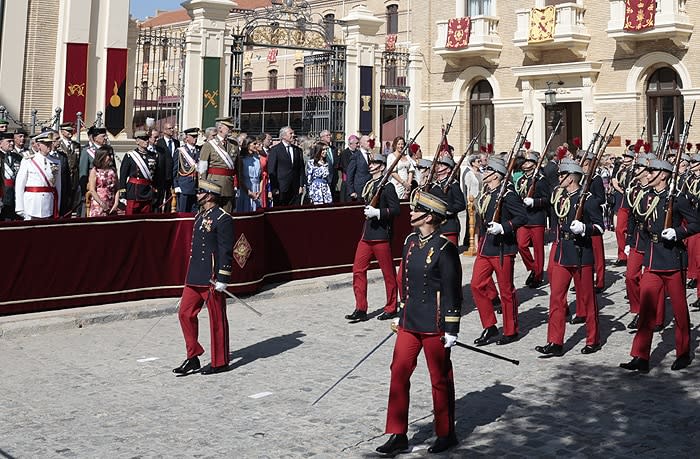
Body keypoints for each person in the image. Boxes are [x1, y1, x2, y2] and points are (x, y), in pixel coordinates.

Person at [376, 191, 461, 456]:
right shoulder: (410, 241)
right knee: (398, 372)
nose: (410, 213)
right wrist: (401, 313)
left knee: (439, 379)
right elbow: (405, 283)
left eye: (416, 210)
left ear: (429, 216)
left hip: (434, 324)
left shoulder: (446, 249)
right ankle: (397, 433)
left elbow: (452, 290)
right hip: (410, 322)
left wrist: (451, 328)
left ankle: (446, 432)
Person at [620, 159, 700, 373]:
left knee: (680, 310)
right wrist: (631, 244)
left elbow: (696, 223)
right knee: (646, 310)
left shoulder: (677, 198)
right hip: (653, 260)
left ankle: (683, 352)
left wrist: (678, 233)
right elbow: (640, 224)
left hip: (673, 260)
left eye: (653, 170)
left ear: (664, 175)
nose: (649, 173)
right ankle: (640, 355)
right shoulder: (646, 197)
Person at [535, 159, 604, 356]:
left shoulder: (588, 199)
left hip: (581, 253)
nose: (558, 178)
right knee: (556, 298)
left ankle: (593, 339)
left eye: (561, 175)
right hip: (563, 251)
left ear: (571, 178)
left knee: (587, 299)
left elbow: (600, 227)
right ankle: (555, 342)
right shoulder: (561, 197)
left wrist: (585, 228)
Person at [173, 179, 235, 376]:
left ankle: (220, 361)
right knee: (185, 313)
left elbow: (226, 250)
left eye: (200, 192)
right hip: (195, 274)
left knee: (216, 319)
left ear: (209, 196)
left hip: (212, 276)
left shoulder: (223, 218)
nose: (197, 195)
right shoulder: (200, 216)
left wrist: (223, 277)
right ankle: (193, 356)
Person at [471, 157, 527, 346]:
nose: (483, 172)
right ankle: (490, 325)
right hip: (487, 246)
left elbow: (522, 217)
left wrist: (504, 227)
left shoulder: (508, 194)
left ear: (496, 174)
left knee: (506, 290)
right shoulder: (487, 192)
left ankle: (511, 330)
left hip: (503, 247)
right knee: (476, 285)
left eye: (487, 170)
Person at [344, 154, 401, 322]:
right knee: (358, 270)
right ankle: (360, 307)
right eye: (371, 162)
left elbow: (396, 210)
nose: (371, 165)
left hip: (381, 235)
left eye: (375, 163)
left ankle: (391, 307)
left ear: (382, 167)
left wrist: (378, 213)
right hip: (367, 234)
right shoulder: (370, 184)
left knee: (388, 273)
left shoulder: (388, 187)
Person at [515, 151, 550, 288]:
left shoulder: (541, 180)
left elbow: (547, 199)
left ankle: (538, 276)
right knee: (521, 245)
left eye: (528, 162)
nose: (525, 164)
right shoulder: (522, 179)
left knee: (538, 249)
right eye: (524, 162)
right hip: (524, 218)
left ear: (535, 164)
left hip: (536, 218)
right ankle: (533, 268)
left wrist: (534, 202)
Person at [14, 131, 62, 220]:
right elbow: (20, 184)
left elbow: (58, 186)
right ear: (39, 145)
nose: (49, 146)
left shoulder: (56, 161)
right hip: (32, 203)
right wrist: (20, 207)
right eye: (45, 143)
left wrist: (57, 205)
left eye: (50, 143)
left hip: (49, 203)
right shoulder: (28, 160)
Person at [199, 118, 239, 212]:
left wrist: (238, 185)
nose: (230, 129)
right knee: (211, 213)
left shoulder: (234, 145)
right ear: (220, 128)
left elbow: (238, 167)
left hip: (228, 185)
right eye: (228, 127)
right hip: (212, 184)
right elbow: (202, 168)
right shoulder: (209, 145)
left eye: (231, 127)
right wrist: (203, 188)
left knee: (226, 213)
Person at [118, 131, 158, 215]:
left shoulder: (153, 155)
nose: (146, 141)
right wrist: (123, 193)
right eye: (143, 139)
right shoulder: (130, 156)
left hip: (148, 191)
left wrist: (155, 190)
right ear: (137, 141)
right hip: (134, 191)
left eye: (147, 139)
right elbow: (123, 176)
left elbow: (155, 175)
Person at [268, 126, 304, 206]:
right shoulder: (275, 150)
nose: (293, 135)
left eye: (293, 133)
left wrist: (301, 185)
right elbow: (271, 170)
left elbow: (301, 169)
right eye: (290, 133)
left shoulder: (297, 150)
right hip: (281, 188)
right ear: (283, 136)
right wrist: (274, 187)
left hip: (295, 187)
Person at [173, 128, 201, 213]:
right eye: (193, 136)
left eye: (196, 136)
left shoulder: (199, 150)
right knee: (183, 211)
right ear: (187, 138)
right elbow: (175, 170)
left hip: (196, 186)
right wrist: (176, 185)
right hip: (184, 185)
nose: (195, 138)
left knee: (194, 212)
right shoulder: (181, 151)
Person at [87, 145, 119, 217]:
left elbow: (117, 188)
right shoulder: (95, 171)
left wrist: (116, 203)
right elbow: (92, 190)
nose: (111, 157)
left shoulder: (113, 170)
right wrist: (101, 203)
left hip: (111, 205)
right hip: (98, 205)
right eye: (109, 155)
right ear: (102, 156)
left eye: (111, 155)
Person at [57, 122, 82, 215]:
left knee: (74, 203)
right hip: (63, 178)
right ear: (62, 132)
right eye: (68, 131)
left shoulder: (76, 145)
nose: (70, 132)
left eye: (71, 130)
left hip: (74, 178)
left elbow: (78, 161)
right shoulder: (58, 145)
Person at [236, 137, 262, 212]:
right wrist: (249, 192)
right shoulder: (242, 159)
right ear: (248, 145)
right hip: (246, 188)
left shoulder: (257, 159)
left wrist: (260, 191)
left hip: (256, 188)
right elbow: (240, 177)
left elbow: (261, 177)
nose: (257, 145)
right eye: (254, 144)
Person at [1, 131, 22, 220]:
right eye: (9, 141)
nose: (12, 143)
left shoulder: (18, 157)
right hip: (2, 194)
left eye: (12, 141)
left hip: (15, 194)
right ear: (0, 143)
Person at [346, 135, 373, 202]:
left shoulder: (370, 155)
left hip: (369, 189)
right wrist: (351, 191)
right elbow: (349, 174)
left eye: (370, 141)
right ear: (361, 143)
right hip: (359, 190)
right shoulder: (356, 156)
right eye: (367, 141)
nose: (369, 143)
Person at [319, 129, 339, 201]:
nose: (329, 136)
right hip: (324, 179)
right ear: (322, 138)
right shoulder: (318, 149)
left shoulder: (334, 149)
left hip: (333, 178)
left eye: (330, 135)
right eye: (327, 135)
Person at [338, 135, 359, 202]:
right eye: (356, 143)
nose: (358, 145)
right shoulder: (344, 153)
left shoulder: (358, 152)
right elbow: (345, 167)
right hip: (347, 180)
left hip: (355, 180)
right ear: (350, 144)